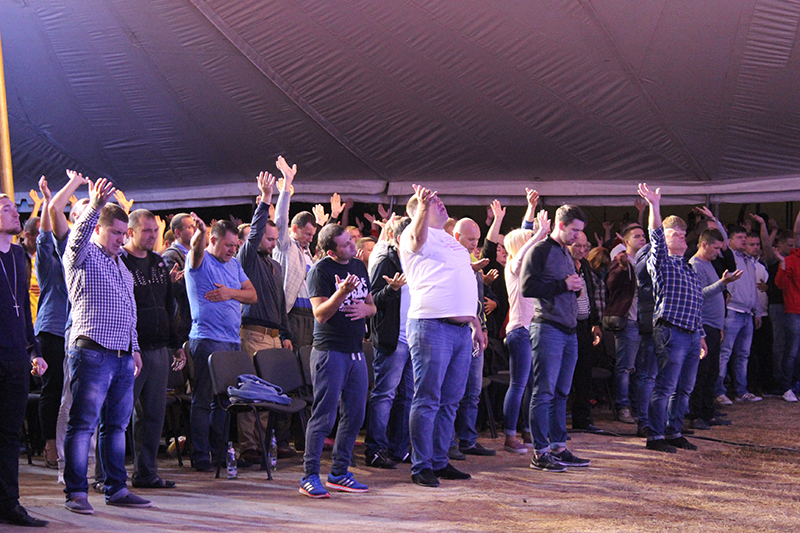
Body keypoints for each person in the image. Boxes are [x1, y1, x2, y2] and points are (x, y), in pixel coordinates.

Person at [62, 178, 151, 513]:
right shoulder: (83, 255)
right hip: (92, 352)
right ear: (98, 229)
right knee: (83, 425)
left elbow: (130, 312)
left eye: (123, 233)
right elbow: (76, 239)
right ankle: (76, 492)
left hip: (122, 355)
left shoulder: (122, 268)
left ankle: (116, 488)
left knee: (116, 427)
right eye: (115, 232)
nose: (121, 239)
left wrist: (135, 348)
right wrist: (95, 206)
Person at [399, 185, 485, 488]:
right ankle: (421, 464)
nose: (441, 204)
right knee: (428, 398)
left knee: (451, 400)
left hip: (460, 330)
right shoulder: (413, 234)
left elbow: (460, 282)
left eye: (438, 200)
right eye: (434, 202)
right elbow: (417, 240)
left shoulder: (449, 240)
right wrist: (423, 207)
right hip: (431, 326)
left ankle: (439, 459)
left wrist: (475, 321)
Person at [300, 224, 376, 498]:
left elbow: (371, 305)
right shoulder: (320, 270)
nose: (352, 246)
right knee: (324, 415)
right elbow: (320, 314)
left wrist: (366, 309)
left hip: (355, 349)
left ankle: (339, 472)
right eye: (345, 244)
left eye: (350, 241)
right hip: (330, 351)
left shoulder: (358, 265)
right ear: (331, 251)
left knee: (355, 414)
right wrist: (341, 292)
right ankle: (309, 475)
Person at [520, 204, 592, 472]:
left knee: (561, 392)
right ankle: (540, 452)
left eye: (580, 231)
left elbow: (561, 287)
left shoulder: (564, 252)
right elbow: (527, 287)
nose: (577, 236)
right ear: (560, 225)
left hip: (568, 330)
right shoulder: (540, 250)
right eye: (574, 230)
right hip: (548, 327)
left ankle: (558, 448)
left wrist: (574, 288)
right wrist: (564, 285)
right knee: (544, 392)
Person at [185, 215, 257, 471]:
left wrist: (229, 293)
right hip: (207, 339)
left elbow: (252, 295)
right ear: (213, 240)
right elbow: (196, 249)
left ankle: (219, 454)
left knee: (225, 402)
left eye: (235, 245)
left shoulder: (234, 265)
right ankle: (200, 455)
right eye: (228, 245)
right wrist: (199, 233)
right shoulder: (200, 260)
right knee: (203, 399)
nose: (233, 250)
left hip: (231, 341)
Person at [638, 183, 706, 453]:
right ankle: (655, 436)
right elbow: (655, 236)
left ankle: (674, 430)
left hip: (690, 333)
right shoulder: (661, 262)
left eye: (683, 234)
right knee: (666, 386)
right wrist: (654, 206)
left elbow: (696, 304)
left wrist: (700, 335)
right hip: (672, 330)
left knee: (684, 388)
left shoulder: (688, 268)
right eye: (674, 234)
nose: (681, 237)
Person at [121, 209, 186, 488]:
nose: (152, 235)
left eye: (155, 231)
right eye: (146, 230)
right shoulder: (120, 261)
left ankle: (146, 473)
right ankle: (105, 476)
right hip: (129, 350)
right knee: (118, 416)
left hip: (158, 349)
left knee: (153, 416)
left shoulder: (159, 263)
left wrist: (175, 344)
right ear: (130, 232)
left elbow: (169, 306)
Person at [236, 172, 295, 463]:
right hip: (253, 333)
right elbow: (255, 233)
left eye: (275, 239)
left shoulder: (274, 266)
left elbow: (280, 303)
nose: (272, 243)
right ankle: (249, 446)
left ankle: (262, 444)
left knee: (269, 394)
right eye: (268, 239)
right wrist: (266, 199)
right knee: (252, 392)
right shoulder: (247, 260)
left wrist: (285, 334)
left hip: (273, 336)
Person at [0, 193, 49, 527]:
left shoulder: (19, 256)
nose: (15, 213)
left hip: (17, 357)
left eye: (13, 208)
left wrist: (35, 351)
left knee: (9, 436)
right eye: (6, 209)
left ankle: (9, 504)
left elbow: (24, 312)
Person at [364, 216, 412, 468]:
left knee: (407, 397)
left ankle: (400, 448)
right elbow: (372, 299)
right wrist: (391, 290)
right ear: (399, 239)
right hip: (393, 339)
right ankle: (375, 449)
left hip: (414, 339)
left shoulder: (418, 261)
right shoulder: (386, 259)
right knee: (384, 395)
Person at [502, 209, 550, 453]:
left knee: (532, 385)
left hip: (532, 331)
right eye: (528, 240)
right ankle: (510, 435)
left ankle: (528, 430)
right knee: (518, 384)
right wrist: (538, 233)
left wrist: (540, 233)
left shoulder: (528, 270)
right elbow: (522, 254)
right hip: (520, 331)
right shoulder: (513, 265)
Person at [450, 218, 496, 458]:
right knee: (452, 392)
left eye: (477, 239)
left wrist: (483, 327)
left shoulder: (472, 260)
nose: (475, 244)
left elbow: (477, 300)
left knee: (473, 391)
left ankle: (468, 439)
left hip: (475, 331)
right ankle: (448, 442)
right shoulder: (451, 259)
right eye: (471, 239)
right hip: (455, 331)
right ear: (457, 237)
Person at [688, 229, 741, 428]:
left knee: (711, 372)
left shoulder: (709, 264)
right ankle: (696, 415)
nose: (718, 253)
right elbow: (699, 294)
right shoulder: (695, 265)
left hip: (713, 325)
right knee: (702, 372)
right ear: (704, 245)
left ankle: (708, 412)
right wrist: (723, 283)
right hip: (704, 325)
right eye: (716, 248)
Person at [273, 156, 318, 349]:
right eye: (307, 234)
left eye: (312, 235)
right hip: (292, 315)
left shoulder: (308, 255)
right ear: (294, 229)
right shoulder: (285, 245)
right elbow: (280, 220)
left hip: (311, 316)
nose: (310, 239)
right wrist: (286, 186)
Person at [604, 224, 647, 424]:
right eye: (637, 236)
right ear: (626, 241)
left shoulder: (647, 261)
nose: (642, 238)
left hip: (645, 322)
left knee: (641, 368)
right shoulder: (621, 260)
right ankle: (623, 407)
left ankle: (639, 408)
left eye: (643, 235)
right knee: (625, 367)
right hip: (628, 320)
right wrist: (621, 268)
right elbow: (610, 284)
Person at [716, 226, 762, 404]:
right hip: (733, 311)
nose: (744, 240)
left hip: (747, 313)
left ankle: (741, 391)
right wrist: (715, 220)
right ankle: (719, 391)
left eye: (745, 237)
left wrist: (757, 311)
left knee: (743, 354)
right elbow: (722, 237)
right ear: (730, 241)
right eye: (739, 237)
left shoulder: (748, 260)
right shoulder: (730, 257)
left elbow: (753, 289)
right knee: (725, 353)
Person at [567, 232, 603, 432]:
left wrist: (595, 323)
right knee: (566, 375)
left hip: (584, 325)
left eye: (584, 246)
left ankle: (582, 419)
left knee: (584, 374)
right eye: (577, 246)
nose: (582, 250)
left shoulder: (586, 265)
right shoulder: (563, 265)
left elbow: (590, 294)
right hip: (567, 326)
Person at [162, 213, 196, 346]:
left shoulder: (197, 254)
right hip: (182, 326)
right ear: (177, 232)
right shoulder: (171, 256)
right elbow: (169, 292)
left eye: (195, 226)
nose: (195, 230)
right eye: (190, 227)